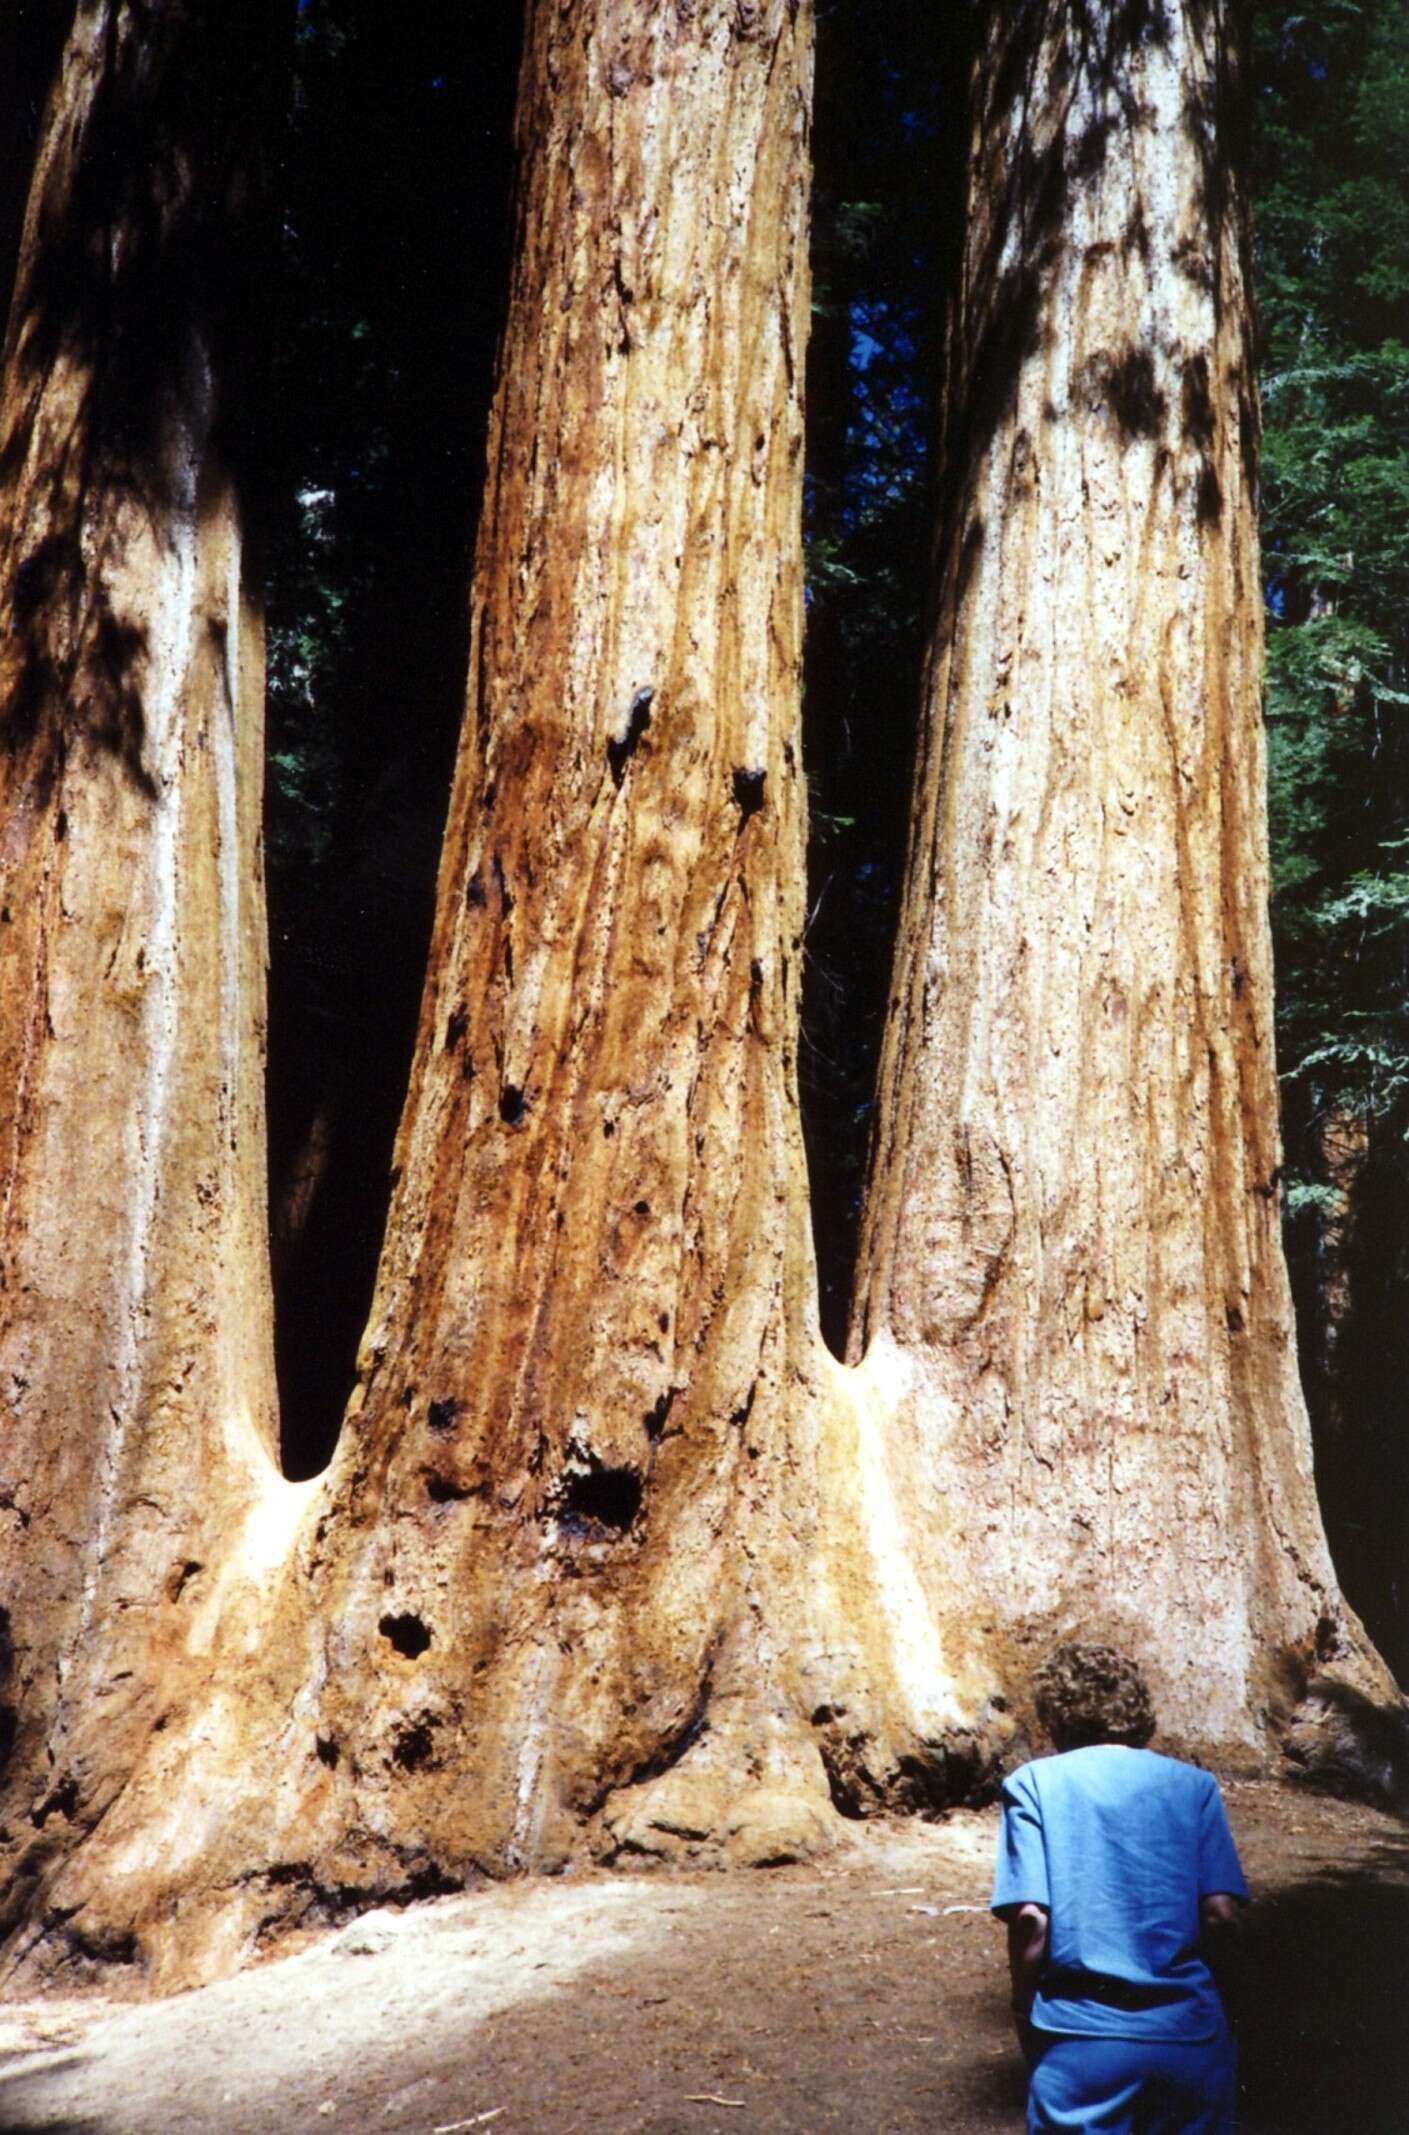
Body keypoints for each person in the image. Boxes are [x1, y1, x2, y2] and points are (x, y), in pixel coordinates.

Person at [990, 1642, 1248, 2134]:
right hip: (1189, 2036)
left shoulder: (1032, 1785)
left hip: (1078, 2039)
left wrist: (1024, 2007)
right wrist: (1233, 2017)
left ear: (1056, 1715)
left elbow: (1031, 1919)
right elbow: (1220, 1914)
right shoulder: (1194, 1786)